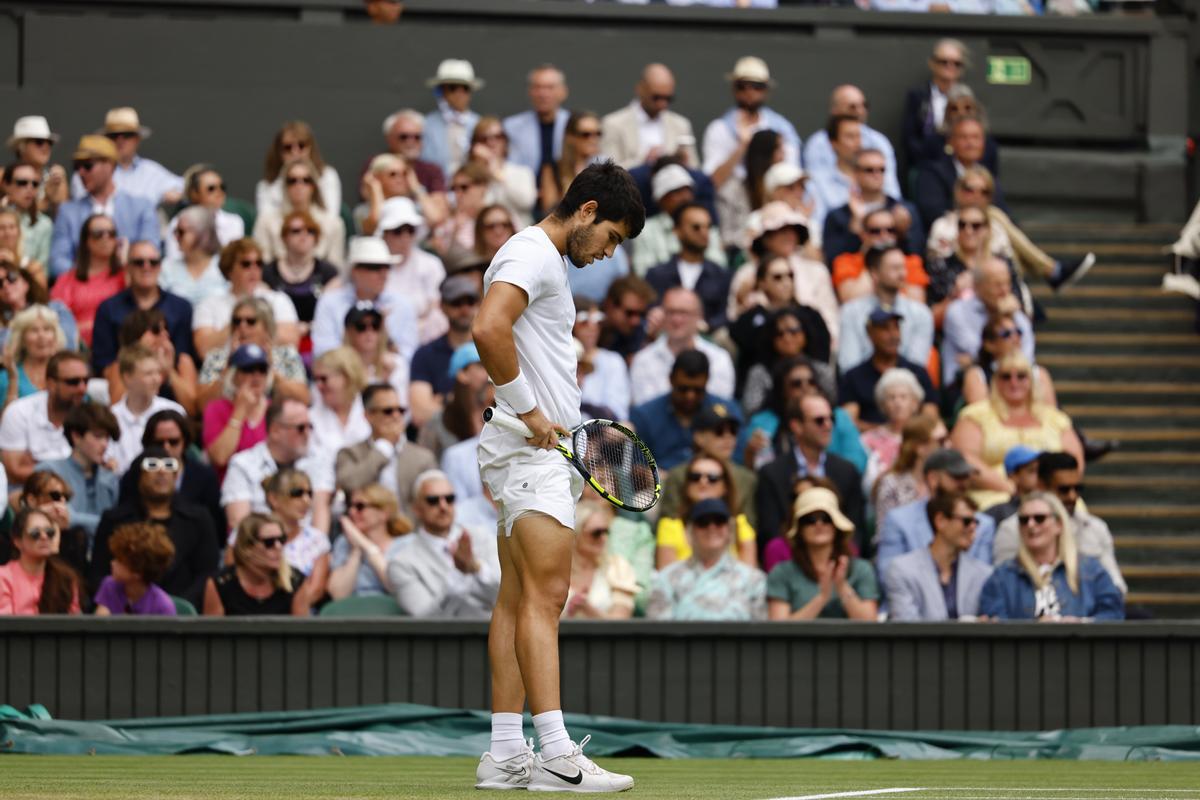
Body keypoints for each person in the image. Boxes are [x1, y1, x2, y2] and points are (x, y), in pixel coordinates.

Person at [472, 160, 642, 792]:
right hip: (529, 451)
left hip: (524, 451)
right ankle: (556, 755)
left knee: (518, 599)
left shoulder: (535, 257)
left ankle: (505, 753)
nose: (608, 254)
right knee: (546, 598)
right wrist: (532, 410)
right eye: (612, 238)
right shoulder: (534, 254)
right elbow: (486, 328)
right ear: (589, 212)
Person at [90, 447, 220, 609]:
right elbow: (99, 572)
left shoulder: (199, 518)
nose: (162, 472)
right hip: (125, 611)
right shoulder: (114, 520)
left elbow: (207, 573)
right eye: (152, 466)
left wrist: (179, 606)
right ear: (138, 476)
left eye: (169, 466)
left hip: (184, 614)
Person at [952, 351, 1083, 510]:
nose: (1014, 382)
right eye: (1006, 376)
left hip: (1053, 494)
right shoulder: (975, 415)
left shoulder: (1056, 418)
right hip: (992, 495)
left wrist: (1045, 488)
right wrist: (1008, 487)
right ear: (995, 381)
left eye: (1021, 376)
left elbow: (1073, 461)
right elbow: (964, 458)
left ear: (1031, 381)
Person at [991, 452, 1126, 595]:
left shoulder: (1095, 528)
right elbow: (1004, 588)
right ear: (1041, 486)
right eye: (1064, 489)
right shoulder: (1012, 530)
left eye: (1077, 489)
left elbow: (1116, 586)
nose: (1072, 496)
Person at [978, 492, 1124, 621]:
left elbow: (1114, 614)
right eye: (1024, 520)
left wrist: (1080, 624)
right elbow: (995, 622)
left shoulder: (1090, 570)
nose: (1031, 524)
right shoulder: (1002, 577)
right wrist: (1036, 628)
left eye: (1039, 518)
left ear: (1059, 524)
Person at [755, 394, 866, 553]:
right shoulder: (771, 474)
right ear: (797, 426)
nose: (828, 425)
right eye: (819, 420)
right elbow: (770, 533)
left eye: (831, 419)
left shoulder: (847, 471)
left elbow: (856, 532)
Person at [386, 469, 500, 618]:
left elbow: (505, 593)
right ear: (416, 509)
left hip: (491, 633)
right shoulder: (401, 563)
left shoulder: (482, 537)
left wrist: (476, 568)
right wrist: (458, 575)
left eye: (449, 498)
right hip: (444, 639)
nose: (443, 506)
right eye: (433, 500)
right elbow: (425, 618)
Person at [875, 448, 996, 581]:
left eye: (966, 477)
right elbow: (887, 576)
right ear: (933, 479)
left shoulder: (983, 524)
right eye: (956, 477)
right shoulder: (898, 520)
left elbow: (983, 580)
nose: (964, 484)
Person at [48, 135, 158, 278]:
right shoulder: (68, 211)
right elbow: (57, 261)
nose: (80, 172)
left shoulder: (142, 207)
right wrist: (92, 279)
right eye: (77, 166)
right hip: (83, 293)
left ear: (110, 165)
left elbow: (151, 251)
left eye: (88, 165)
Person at [730, 202, 838, 345]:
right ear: (766, 237)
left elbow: (830, 323)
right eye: (780, 230)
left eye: (792, 229)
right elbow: (735, 322)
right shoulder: (746, 274)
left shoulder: (817, 271)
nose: (788, 235)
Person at [221, 396, 332, 533]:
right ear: (275, 431)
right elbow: (240, 524)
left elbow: (320, 512)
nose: (307, 434)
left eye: (310, 427)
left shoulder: (318, 459)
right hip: (260, 547)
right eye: (300, 428)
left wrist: (311, 549)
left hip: (308, 549)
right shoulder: (242, 465)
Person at [738, 355, 866, 474]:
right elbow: (758, 470)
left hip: (832, 487)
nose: (806, 388)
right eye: (796, 384)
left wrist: (820, 478)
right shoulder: (762, 422)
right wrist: (750, 454)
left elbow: (857, 462)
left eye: (811, 382)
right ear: (782, 390)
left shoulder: (839, 417)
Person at [645, 498, 767, 622]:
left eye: (719, 521)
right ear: (690, 531)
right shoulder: (667, 579)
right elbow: (659, 631)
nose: (711, 527)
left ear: (729, 530)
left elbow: (761, 631)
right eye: (703, 522)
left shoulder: (754, 580)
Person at [766, 487, 878, 621]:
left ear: (836, 525)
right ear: (799, 528)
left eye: (826, 518)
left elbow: (870, 623)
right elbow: (778, 630)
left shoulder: (861, 569)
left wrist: (842, 587)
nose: (819, 524)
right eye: (810, 519)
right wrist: (822, 598)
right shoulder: (782, 573)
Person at [91, 239, 195, 382]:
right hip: (123, 385)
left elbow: (184, 360)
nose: (146, 267)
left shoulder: (181, 308)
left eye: (153, 262)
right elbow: (104, 366)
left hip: (170, 387)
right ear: (127, 267)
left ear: (160, 266)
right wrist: (139, 351)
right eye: (139, 262)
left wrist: (165, 369)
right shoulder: (108, 309)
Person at [884, 491, 993, 621]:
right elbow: (906, 627)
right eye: (967, 521)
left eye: (976, 522)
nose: (973, 527)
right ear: (940, 521)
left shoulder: (983, 573)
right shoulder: (902, 570)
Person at [115, 409, 224, 539]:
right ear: (149, 443)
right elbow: (123, 519)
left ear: (184, 442)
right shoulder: (134, 476)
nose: (166, 448)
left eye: (173, 441)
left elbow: (216, 527)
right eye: (159, 443)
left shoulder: (204, 477)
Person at [702, 56, 800, 198]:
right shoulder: (718, 129)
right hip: (731, 205)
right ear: (734, 89)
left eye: (757, 86)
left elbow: (793, 179)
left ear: (767, 91)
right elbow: (712, 184)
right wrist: (742, 146)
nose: (749, 92)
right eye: (742, 86)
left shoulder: (783, 129)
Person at [630, 349, 741, 472]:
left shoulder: (728, 412)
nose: (690, 396)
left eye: (698, 390)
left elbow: (738, 460)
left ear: (707, 381)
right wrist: (648, 475)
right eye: (683, 389)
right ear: (671, 379)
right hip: (660, 486)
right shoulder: (645, 415)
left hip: (713, 481)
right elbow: (636, 467)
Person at [311, 236, 417, 361]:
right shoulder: (330, 303)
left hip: (387, 374)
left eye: (387, 267)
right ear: (355, 271)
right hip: (344, 374)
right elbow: (323, 352)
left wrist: (385, 341)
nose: (383, 274)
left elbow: (408, 354)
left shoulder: (402, 305)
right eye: (375, 268)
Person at [193, 238, 300, 359]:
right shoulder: (208, 305)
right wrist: (238, 322)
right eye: (246, 264)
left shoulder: (278, 299)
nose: (254, 269)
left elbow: (291, 341)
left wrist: (255, 328)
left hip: (271, 366)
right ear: (229, 269)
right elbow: (203, 349)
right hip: (225, 368)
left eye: (259, 263)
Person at [196, 296, 308, 410]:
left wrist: (271, 369)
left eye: (250, 321)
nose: (242, 326)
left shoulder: (286, 354)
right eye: (237, 321)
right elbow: (201, 406)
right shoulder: (216, 357)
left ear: (267, 326)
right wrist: (229, 367)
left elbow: (304, 399)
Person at [629, 287, 734, 406]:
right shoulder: (643, 360)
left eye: (684, 312)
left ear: (699, 316)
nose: (676, 319)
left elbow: (719, 407)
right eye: (671, 312)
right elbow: (645, 410)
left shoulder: (719, 359)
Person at [941, 257, 1035, 387]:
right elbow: (984, 352)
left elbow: (1026, 360)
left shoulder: (1017, 317)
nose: (1004, 291)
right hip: (963, 387)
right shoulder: (957, 312)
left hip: (1012, 385)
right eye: (997, 285)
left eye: (1007, 283)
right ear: (977, 286)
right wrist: (999, 316)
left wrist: (1007, 317)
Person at [0, 351, 89, 488]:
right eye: (73, 382)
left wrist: (40, 466)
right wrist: (76, 469)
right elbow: (14, 472)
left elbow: (105, 466)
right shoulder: (19, 411)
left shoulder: (92, 416)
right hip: (29, 495)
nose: (82, 388)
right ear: (51, 384)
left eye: (86, 381)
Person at [655, 451, 757, 569]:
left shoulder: (740, 523)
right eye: (695, 477)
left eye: (712, 478)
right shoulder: (669, 525)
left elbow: (749, 576)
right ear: (687, 484)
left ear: (725, 486)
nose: (703, 482)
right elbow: (666, 576)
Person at [822, 148, 923, 267]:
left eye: (882, 170)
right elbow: (834, 261)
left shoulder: (905, 210)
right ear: (855, 174)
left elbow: (918, 255)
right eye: (869, 170)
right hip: (856, 280)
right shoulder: (837, 216)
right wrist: (856, 226)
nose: (877, 175)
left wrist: (903, 233)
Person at [838, 309, 938, 427]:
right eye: (885, 329)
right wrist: (885, 433)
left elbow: (931, 417)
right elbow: (847, 422)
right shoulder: (854, 377)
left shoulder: (918, 372)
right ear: (870, 333)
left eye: (896, 328)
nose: (893, 335)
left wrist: (904, 432)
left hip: (913, 441)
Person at [35, 403, 121, 540]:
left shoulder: (110, 477)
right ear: (76, 436)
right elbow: (57, 519)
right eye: (98, 436)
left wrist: (75, 518)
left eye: (107, 438)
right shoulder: (49, 471)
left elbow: (119, 527)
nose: (105, 444)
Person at [804, 85, 901, 200]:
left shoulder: (879, 141)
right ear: (835, 110)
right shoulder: (817, 144)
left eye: (864, 105)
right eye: (852, 107)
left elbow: (891, 189)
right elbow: (815, 188)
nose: (860, 111)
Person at [69, 107, 182, 206]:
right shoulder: (89, 171)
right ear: (105, 140)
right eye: (114, 136)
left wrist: (177, 194)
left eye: (127, 135)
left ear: (137, 139)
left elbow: (184, 187)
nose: (120, 140)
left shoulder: (151, 171)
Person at [645, 203, 730, 333]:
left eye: (708, 227)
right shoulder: (656, 275)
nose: (704, 232)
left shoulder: (721, 275)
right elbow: (648, 310)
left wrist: (706, 326)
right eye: (696, 227)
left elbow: (726, 314)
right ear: (677, 230)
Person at [375, 197, 448, 343]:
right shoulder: (372, 267)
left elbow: (436, 307)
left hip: (426, 339)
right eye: (398, 231)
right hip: (383, 341)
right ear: (384, 234)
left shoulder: (431, 264)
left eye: (410, 230)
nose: (405, 236)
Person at [49, 213, 127, 347]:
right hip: (77, 349)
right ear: (86, 240)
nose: (106, 238)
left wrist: (126, 261)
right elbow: (55, 319)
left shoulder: (125, 275)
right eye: (98, 234)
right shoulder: (67, 279)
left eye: (111, 233)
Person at [253, 157, 345, 270]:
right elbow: (262, 265)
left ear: (314, 185)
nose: (299, 185)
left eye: (306, 180)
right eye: (292, 180)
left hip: (321, 285)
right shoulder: (265, 222)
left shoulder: (334, 224)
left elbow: (335, 269)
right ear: (284, 185)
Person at [739, 306, 833, 417]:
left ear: (805, 333)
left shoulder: (822, 370)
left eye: (793, 331)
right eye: (779, 334)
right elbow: (750, 411)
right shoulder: (760, 373)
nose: (787, 338)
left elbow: (832, 403)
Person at [600, 63, 698, 170]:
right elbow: (608, 172)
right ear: (640, 89)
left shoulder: (681, 124)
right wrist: (644, 161)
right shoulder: (613, 124)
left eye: (668, 98)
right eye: (656, 97)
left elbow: (694, 167)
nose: (662, 104)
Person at [633, 166, 726, 276]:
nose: (685, 197)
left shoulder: (705, 222)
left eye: (688, 190)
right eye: (677, 192)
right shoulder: (646, 231)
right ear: (661, 199)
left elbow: (719, 266)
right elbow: (643, 273)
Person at [108, 344, 187, 474]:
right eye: (148, 373)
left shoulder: (174, 411)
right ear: (127, 377)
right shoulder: (111, 417)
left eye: (158, 372)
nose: (157, 379)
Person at [327, 483, 413, 599]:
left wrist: (365, 545)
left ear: (384, 513)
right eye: (350, 506)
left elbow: (396, 586)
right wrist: (355, 551)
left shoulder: (407, 543)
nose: (352, 512)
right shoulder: (344, 543)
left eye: (360, 507)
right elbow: (338, 595)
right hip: (354, 613)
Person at [262, 468, 329, 614]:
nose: (306, 501)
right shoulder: (250, 533)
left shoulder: (317, 539)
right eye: (297, 493)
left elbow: (316, 590)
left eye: (309, 494)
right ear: (273, 498)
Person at [829, 206, 928, 306]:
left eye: (890, 230)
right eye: (875, 231)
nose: (884, 236)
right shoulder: (845, 261)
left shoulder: (911, 262)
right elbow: (851, 302)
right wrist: (872, 260)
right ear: (864, 235)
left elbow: (917, 306)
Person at [872, 413, 948, 542]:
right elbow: (886, 535)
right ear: (920, 448)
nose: (948, 445)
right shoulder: (891, 484)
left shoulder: (949, 481)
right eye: (941, 441)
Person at [203, 513, 297, 616]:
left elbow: (303, 630)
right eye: (269, 542)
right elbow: (212, 630)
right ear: (247, 548)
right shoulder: (221, 584)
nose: (278, 547)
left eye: (282, 540)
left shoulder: (295, 580)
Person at [261, 209, 340, 329]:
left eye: (310, 231)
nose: (304, 235)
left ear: (316, 237)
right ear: (284, 237)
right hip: (279, 336)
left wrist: (308, 327)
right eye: (296, 231)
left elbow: (331, 313)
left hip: (317, 335)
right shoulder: (268, 272)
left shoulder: (328, 272)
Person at [960, 313, 1056, 408]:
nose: (1015, 338)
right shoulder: (978, 375)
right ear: (989, 344)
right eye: (1006, 334)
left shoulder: (1038, 373)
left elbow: (1051, 414)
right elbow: (980, 416)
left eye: (1018, 332)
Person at [201, 343, 271, 474]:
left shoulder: (275, 408)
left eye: (262, 369)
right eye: (248, 369)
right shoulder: (215, 409)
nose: (256, 375)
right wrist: (239, 411)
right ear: (233, 375)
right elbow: (220, 457)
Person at [563, 501, 638, 620]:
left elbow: (622, 623)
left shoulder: (618, 568)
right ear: (576, 534)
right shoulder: (556, 569)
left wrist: (589, 610)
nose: (604, 538)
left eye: (606, 532)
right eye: (596, 533)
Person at [902, 38, 969, 170]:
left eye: (957, 63)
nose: (950, 67)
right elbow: (909, 137)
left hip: (961, 167)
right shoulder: (918, 96)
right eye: (944, 62)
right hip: (926, 165)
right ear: (932, 63)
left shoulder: (967, 98)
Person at [0, 508, 81, 615]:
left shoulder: (66, 578)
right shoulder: (3, 577)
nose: (44, 537)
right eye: (35, 533)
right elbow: (6, 625)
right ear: (18, 541)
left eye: (49, 532)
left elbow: (75, 624)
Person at [255, 121, 341, 221]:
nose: (295, 153)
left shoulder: (327, 175)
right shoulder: (266, 185)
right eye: (288, 147)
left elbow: (331, 218)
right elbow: (266, 223)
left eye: (301, 145)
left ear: (310, 148)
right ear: (279, 151)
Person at [92, 522, 177, 616]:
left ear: (137, 572)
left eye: (120, 561)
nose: (113, 563)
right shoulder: (109, 585)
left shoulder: (163, 606)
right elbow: (100, 622)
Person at [466, 116, 537, 229]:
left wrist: (497, 173)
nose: (491, 142)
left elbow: (526, 202)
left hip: (518, 237)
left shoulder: (521, 172)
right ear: (475, 144)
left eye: (497, 137)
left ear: (505, 141)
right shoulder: (466, 175)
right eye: (484, 138)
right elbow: (468, 210)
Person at [380, 109, 451, 219]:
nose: (411, 141)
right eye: (404, 137)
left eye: (417, 137)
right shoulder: (376, 165)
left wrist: (416, 188)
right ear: (389, 138)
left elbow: (437, 217)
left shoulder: (432, 170)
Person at [164, 164, 245, 260]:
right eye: (211, 188)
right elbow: (174, 260)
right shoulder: (177, 224)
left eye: (222, 187)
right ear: (194, 194)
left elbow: (233, 261)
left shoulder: (234, 222)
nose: (219, 192)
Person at [503, 64, 571, 177]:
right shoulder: (511, 127)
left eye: (550, 87)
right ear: (529, 92)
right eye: (537, 87)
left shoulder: (576, 126)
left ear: (563, 92)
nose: (543, 94)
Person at [572, 297, 631, 422]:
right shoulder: (560, 360)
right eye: (584, 320)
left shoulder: (613, 361)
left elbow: (616, 416)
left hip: (603, 436)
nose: (592, 327)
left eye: (597, 320)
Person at [422, 59, 484, 177]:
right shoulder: (427, 125)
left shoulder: (479, 124)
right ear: (442, 90)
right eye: (453, 87)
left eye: (465, 88)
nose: (459, 93)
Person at [342, 301, 410, 406]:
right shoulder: (339, 367)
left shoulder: (397, 363)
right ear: (348, 331)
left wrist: (387, 382)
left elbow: (401, 408)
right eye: (361, 326)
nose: (369, 331)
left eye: (375, 325)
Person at [0, 304, 70, 406]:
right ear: (22, 339)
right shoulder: (5, 378)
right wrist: (13, 380)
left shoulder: (70, 374)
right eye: (34, 330)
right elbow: (6, 420)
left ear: (55, 336)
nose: (41, 336)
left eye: (47, 329)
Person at [160, 205, 229, 308]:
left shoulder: (225, 266)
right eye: (175, 231)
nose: (176, 236)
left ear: (203, 234)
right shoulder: (166, 267)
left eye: (181, 232)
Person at [309, 346, 370, 459]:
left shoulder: (373, 408)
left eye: (323, 379)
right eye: (315, 379)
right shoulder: (309, 418)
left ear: (346, 376)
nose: (318, 385)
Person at [6, 116, 67, 220]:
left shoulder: (56, 177)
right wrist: (46, 199)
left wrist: (57, 198)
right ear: (22, 146)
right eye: (39, 142)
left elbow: (64, 219)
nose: (46, 147)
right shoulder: (5, 176)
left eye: (49, 143)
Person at [2, 162, 53, 268]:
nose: (30, 188)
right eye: (22, 183)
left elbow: (42, 272)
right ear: (6, 185)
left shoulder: (44, 224)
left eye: (35, 184)